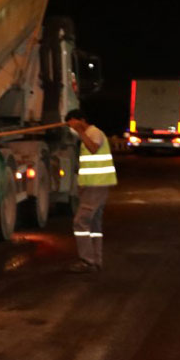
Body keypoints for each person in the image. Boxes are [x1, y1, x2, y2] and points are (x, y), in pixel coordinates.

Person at [66, 108, 117, 273]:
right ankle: (95, 260)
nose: (72, 128)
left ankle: (87, 261)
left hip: (96, 186)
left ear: (81, 119)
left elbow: (93, 148)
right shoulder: (90, 134)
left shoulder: (93, 133)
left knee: (80, 222)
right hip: (93, 186)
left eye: (73, 123)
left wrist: (81, 131)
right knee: (94, 224)